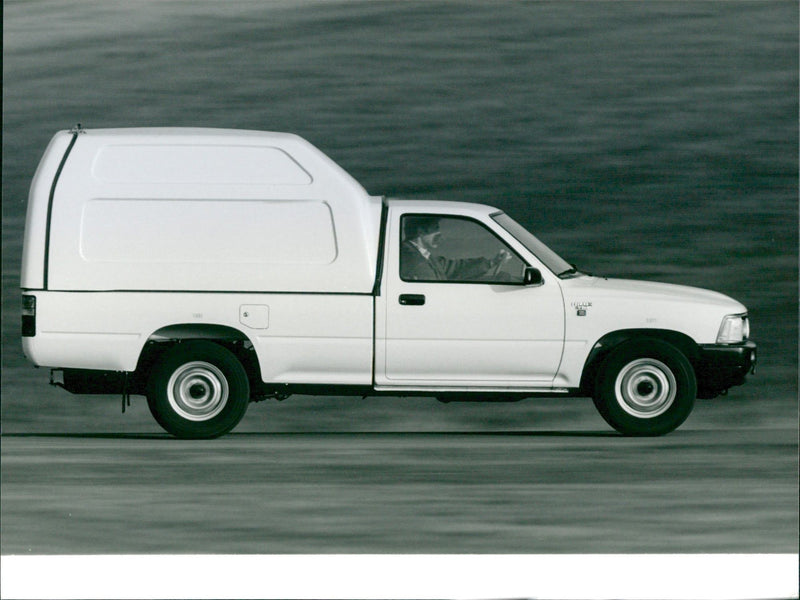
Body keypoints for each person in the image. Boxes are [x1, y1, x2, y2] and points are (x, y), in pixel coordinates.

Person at [400, 215, 511, 282]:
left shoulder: (421, 254)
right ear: (421, 231)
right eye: (435, 228)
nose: (440, 234)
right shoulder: (412, 259)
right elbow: (434, 289)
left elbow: (453, 268)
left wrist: (491, 262)